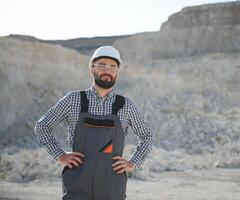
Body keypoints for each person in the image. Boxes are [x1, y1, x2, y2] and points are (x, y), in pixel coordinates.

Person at [34, 46, 154, 200]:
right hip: (78, 181)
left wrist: (133, 162)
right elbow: (42, 126)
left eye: (112, 67)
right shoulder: (73, 100)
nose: (107, 70)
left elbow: (147, 135)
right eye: (102, 65)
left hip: (112, 184)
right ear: (92, 69)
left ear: (117, 72)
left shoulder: (126, 105)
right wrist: (60, 155)